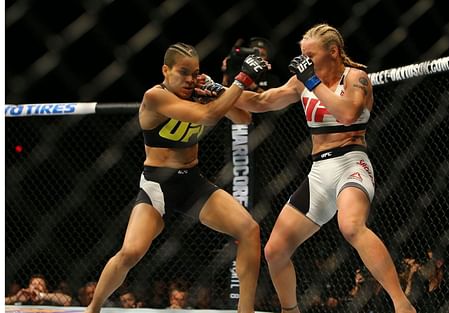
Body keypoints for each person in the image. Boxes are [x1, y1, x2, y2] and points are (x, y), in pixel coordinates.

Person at [234, 23, 416, 313]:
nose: (305, 61)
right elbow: (262, 101)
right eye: (302, 55)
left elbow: (348, 114)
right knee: (275, 250)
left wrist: (311, 81)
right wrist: (222, 90)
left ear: (333, 51)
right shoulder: (303, 81)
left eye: (311, 55)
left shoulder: (356, 77)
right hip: (319, 173)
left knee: (351, 226)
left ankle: (402, 305)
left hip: (351, 163)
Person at [84, 42, 268, 313]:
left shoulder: (196, 92)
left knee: (249, 230)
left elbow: (243, 118)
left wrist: (217, 90)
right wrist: (241, 81)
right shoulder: (154, 97)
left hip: (192, 182)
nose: (190, 79)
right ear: (166, 70)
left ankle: (245, 310)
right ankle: (93, 308)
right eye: (183, 72)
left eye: (194, 73)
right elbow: (207, 117)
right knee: (131, 252)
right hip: (158, 186)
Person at [5, 274, 72, 306]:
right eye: (33, 284)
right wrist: (16, 298)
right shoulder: (22, 302)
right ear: (28, 288)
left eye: (40, 284)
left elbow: (68, 300)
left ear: (46, 291)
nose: (36, 286)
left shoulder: (51, 302)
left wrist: (41, 295)